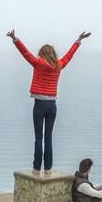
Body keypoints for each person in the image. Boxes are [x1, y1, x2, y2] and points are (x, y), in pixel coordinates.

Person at [7, 28, 91, 172]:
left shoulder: (38, 63)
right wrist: (78, 41)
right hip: (52, 106)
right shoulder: (59, 65)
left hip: (39, 105)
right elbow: (69, 55)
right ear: (53, 54)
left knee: (38, 137)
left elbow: (25, 53)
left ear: (42, 54)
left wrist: (15, 39)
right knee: (49, 137)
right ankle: (48, 168)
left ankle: (36, 167)